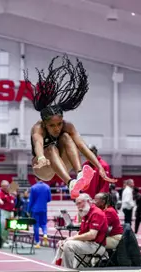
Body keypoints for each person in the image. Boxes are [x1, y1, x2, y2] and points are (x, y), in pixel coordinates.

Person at [26, 55, 116, 199]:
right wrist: (41, 157)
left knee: (67, 137)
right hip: (44, 167)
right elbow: (38, 143)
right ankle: (70, 183)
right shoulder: (38, 128)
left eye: (59, 124)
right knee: (50, 148)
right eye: (52, 125)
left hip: (62, 163)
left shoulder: (67, 127)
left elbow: (82, 146)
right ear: (45, 124)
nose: (56, 128)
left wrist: (99, 168)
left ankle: (80, 175)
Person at [52, 193, 108, 268]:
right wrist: (67, 239)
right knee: (62, 243)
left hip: (96, 246)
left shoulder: (96, 213)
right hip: (87, 243)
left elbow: (92, 235)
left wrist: (72, 238)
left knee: (68, 245)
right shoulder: (85, 213)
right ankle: (55, 267)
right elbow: (81, 233)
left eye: (79, 203)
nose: (78, 207)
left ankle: (67, 269)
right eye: (76, 204)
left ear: (88, 201)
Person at [28, 178, 52, 247]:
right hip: (44, 209)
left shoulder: (33, 187)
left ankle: (38, 242)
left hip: (35, 210)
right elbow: (49, 199)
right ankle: (45, 234)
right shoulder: (47, 187)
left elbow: (31, 201)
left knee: (36, 226)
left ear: (35, 178)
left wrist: (28, 210)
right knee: (44, 224)